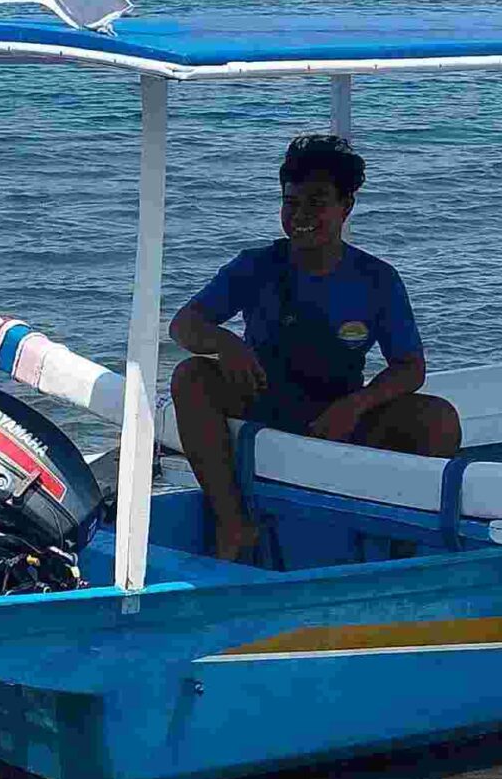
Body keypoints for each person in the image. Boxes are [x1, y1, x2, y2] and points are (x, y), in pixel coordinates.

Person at [169, 133, 460, 562]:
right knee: (190, 376)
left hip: (337, 412)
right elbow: (184, 325)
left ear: (346, 206)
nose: (301, 215)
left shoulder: (377, 279)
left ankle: (404, 541)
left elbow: (410, 367)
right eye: (292, 203)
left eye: (317, 202)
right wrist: (224, 342)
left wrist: (358, 404)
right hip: (264, 399)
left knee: (439, 419)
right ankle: (233, 523)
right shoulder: (256, 266)